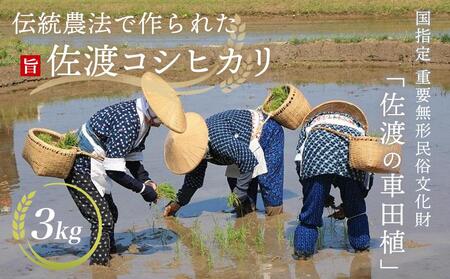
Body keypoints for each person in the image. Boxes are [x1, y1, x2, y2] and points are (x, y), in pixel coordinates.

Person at [64, 73, 186, 266]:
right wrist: (143, 190)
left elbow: (132, 159)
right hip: (82, 166)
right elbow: (114, 170)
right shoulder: (129, 122)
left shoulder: (143, 122)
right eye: (161, 118)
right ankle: (99, 266)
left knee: (111, 212)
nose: (162, 123)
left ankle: (109, 254)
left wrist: (146, 180)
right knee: (102, 218)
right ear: (153, 111)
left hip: (96, 164)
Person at [162, 109, 285, 217]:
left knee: (268, 185)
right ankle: (248, 217)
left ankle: (275, 215)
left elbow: (248, 159)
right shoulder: (195, 151)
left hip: (266, 131)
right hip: (239, 143)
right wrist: (177, 203)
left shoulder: (218, 142)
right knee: (239, 197)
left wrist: (240, 191)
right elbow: (193, 182)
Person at [293, 101, 373, 259]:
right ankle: (361, 248)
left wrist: (312, 192)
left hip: (317, 151)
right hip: (352, 147)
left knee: (311, 210)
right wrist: (356, 197)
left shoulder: (312, 123)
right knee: (356, 208)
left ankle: (303, 253)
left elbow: (300, 161)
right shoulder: (357, 126)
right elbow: (367, 167)